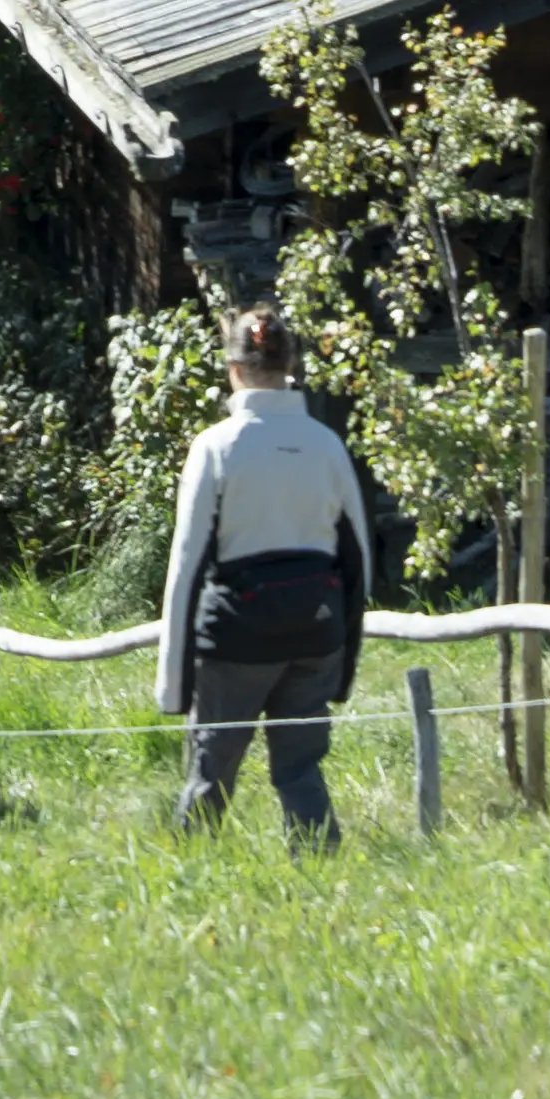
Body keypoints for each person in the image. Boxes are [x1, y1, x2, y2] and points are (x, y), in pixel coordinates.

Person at [154, 300, 365, 845]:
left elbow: (187, 564)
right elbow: (357, 556)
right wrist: (344, 666)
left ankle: (190, 869)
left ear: (234, 368)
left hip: (235, 640)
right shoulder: (327, 445)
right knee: (300, 769)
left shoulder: (215, 447)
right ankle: (319, 868)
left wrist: (172, 684)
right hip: (316, 633)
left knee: (212, 770)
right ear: (291, 365)